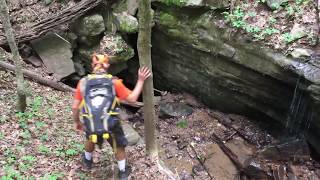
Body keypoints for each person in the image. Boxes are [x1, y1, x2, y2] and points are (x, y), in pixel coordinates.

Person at [72, 53, 151, 179]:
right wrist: (141, 80)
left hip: (91, 122)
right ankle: (123, 171)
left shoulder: (83, 83)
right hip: (111, 124)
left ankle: (87, 161)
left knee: (90, 137)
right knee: (118, 145)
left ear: (92, 65)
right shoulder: (114, 82)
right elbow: (132, 99)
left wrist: (77, 122)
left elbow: (75, 107)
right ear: (107, 65)